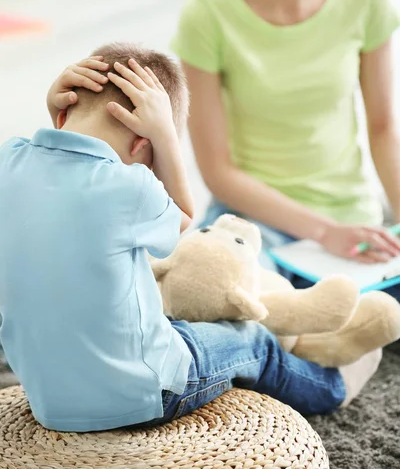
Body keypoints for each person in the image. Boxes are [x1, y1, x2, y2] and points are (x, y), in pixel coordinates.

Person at [0, 43, 381, 433]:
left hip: (48, 400)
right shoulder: (128, 187)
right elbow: (182, 219)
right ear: (141, 145)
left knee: (169, 319)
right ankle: (331, 387)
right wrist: (166, 136)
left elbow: (54, 169)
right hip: (143, 394)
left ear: (62, 111)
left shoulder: (7, 159)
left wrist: (56, 113)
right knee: (251, 339)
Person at [170, 0, 400, 300]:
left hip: (353, 221)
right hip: (251, 223)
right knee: (221, 292)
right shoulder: (207, 14)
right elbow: (217, 171)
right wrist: (324, 232)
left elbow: (384, 128)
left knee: (330, 315)